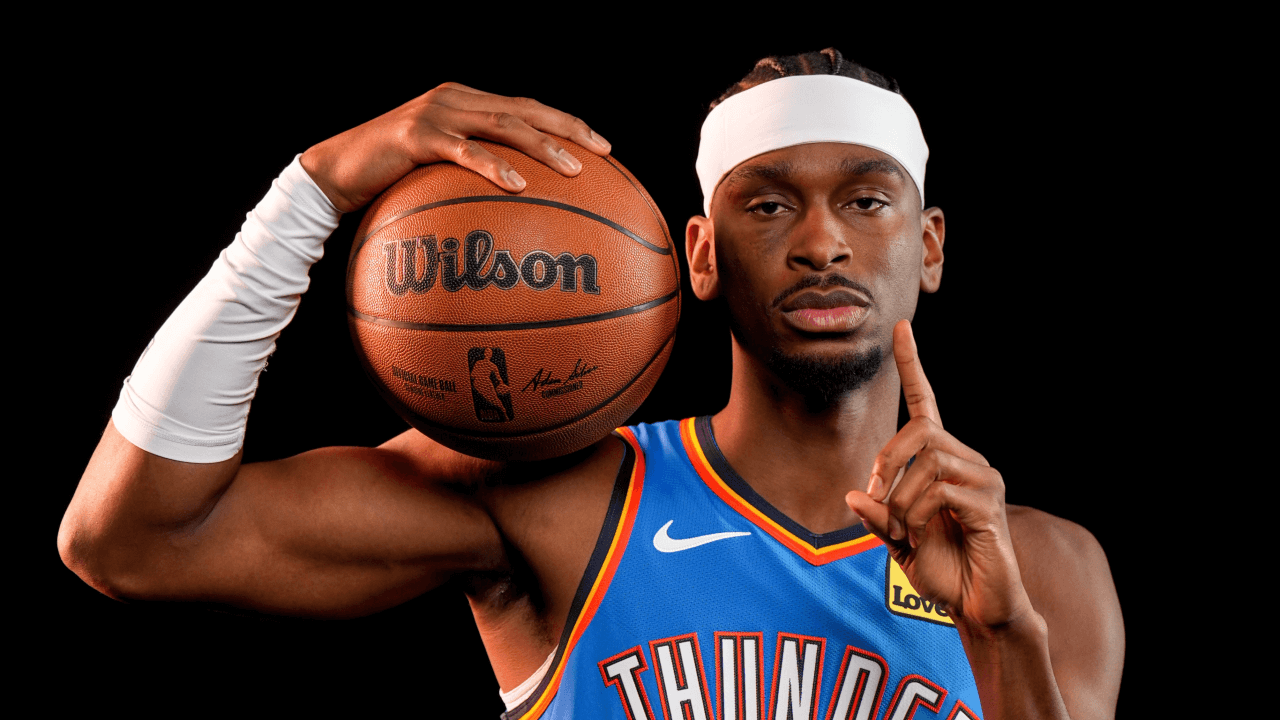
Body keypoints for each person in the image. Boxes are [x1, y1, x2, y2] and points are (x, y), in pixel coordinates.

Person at [59, 49, 1123, 719]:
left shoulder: (1042, 570)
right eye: (764, 206)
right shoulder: (561, 496)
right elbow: (133, 540)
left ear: (928, 245)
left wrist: (997, 637)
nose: (818, 244)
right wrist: (311, 194)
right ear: (698, 255)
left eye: (864, 202)